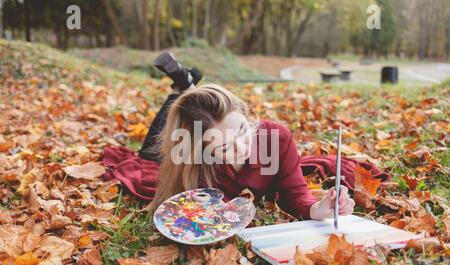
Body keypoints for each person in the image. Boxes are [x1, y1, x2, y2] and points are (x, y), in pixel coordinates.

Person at [102, 53, 390, 220]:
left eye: (241, 130)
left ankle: (186, 87)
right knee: (148, 157)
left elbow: (295, 193)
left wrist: (318, 209)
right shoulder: (190, 161)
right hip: (177, 145)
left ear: (246, 113)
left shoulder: (276, 138)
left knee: (194, 112)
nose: (241, 147)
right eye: (223, 146)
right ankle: (182, 90)